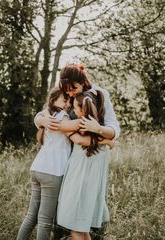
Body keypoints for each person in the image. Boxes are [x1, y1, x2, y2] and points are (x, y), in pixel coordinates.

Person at [34, 64, 120, 240]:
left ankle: (95, 234)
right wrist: (41, 120)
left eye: (74, 89)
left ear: (83, 82)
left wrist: (100, 131)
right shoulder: (66, 94)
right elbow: (44, 113)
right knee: (69, 208)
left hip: (93, 159)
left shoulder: (98, 94)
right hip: (72, 159)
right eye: (67, 90)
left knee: (89, 206)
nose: (71, 93)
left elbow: (114, 129)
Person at [17, 87, 113, 240]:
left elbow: (42, 117)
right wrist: (107, 139)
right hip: (52, 172)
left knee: (31, 216)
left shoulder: (49, 115)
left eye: (70, 101)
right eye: (65, 100)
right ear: (53, 100)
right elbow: (80, 137)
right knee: (45, 221)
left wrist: (40, 118)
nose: (69, 104)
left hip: (37, 168)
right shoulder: (64, 119)